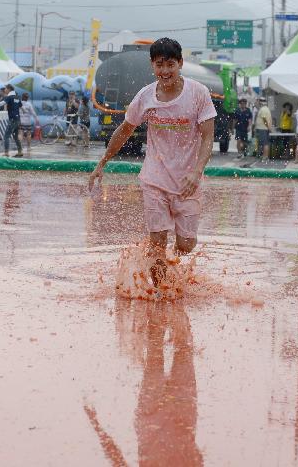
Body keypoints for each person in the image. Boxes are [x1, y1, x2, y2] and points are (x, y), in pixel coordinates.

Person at [88, 37, 216, 294]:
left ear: (180, 64)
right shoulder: (145, 97)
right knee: (158, 242)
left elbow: (208, 136)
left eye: (170, 64)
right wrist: (102, 163)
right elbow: (125, 130)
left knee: (186, 244)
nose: (165, 71)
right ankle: (160, 292)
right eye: (160, 65)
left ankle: (159, 263)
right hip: (154, 179)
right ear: (152, 66)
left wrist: (196, 171)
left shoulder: (198, 93)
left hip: (187, 181)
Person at [3, 85, 23, 158]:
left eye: (5, 88)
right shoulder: (17, 97)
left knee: (6, 136)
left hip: (12, 119)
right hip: (18, 119)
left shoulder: (9, 97)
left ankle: (6, 152)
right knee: (15, 136)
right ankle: (20, 151)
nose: (4, 90)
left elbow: (3, 103)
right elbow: (21, 106)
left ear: (9, 89)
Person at [254, 97, 272, 162]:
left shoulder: (264, 109)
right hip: (263, 128)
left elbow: (264, 119)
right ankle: (264, 156)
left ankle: (265, 157)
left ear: (261, 102)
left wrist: (268, 127)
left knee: (265, 143)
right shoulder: (264, 109)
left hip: (263, 128)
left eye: (259, 101)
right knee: (264, 143)